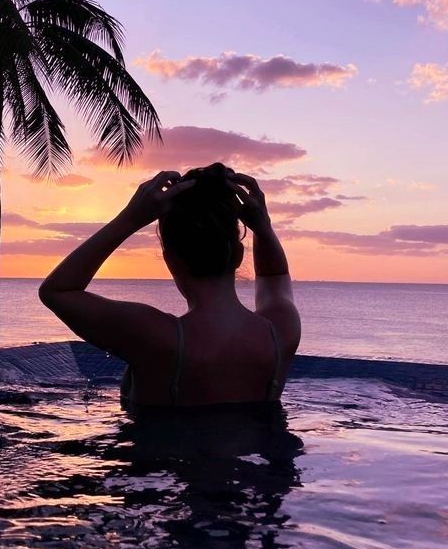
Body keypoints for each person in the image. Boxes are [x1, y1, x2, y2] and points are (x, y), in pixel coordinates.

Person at [39, 163, 301, 408]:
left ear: (170, 261)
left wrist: (130, 219)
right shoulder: (279, 334)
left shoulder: (155, 336)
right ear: (239, 256)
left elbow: (58, 291)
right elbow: (275, 276)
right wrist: (263, 228)